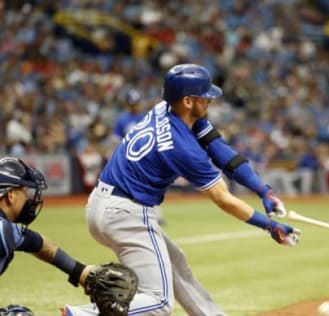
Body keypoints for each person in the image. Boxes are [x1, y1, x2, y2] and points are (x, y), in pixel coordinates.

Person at [63, 64, 299, 316]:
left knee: (177, 266)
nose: (210, 99)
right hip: (126, 213)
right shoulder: (183, 148)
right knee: (159, 303)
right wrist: (268, 225)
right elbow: (222, 198)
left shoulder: (165, 108)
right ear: (188, 101)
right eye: (204, 95)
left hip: (102, 205)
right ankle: (81, 315)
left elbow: (220, 150)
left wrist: (264, 191)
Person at [0, 157, 95, 313]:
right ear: (10, 195)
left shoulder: (7, 229)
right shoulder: (3, 230)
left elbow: (40, 245)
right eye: (24, 193)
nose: (29, 200)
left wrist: (80, 272)